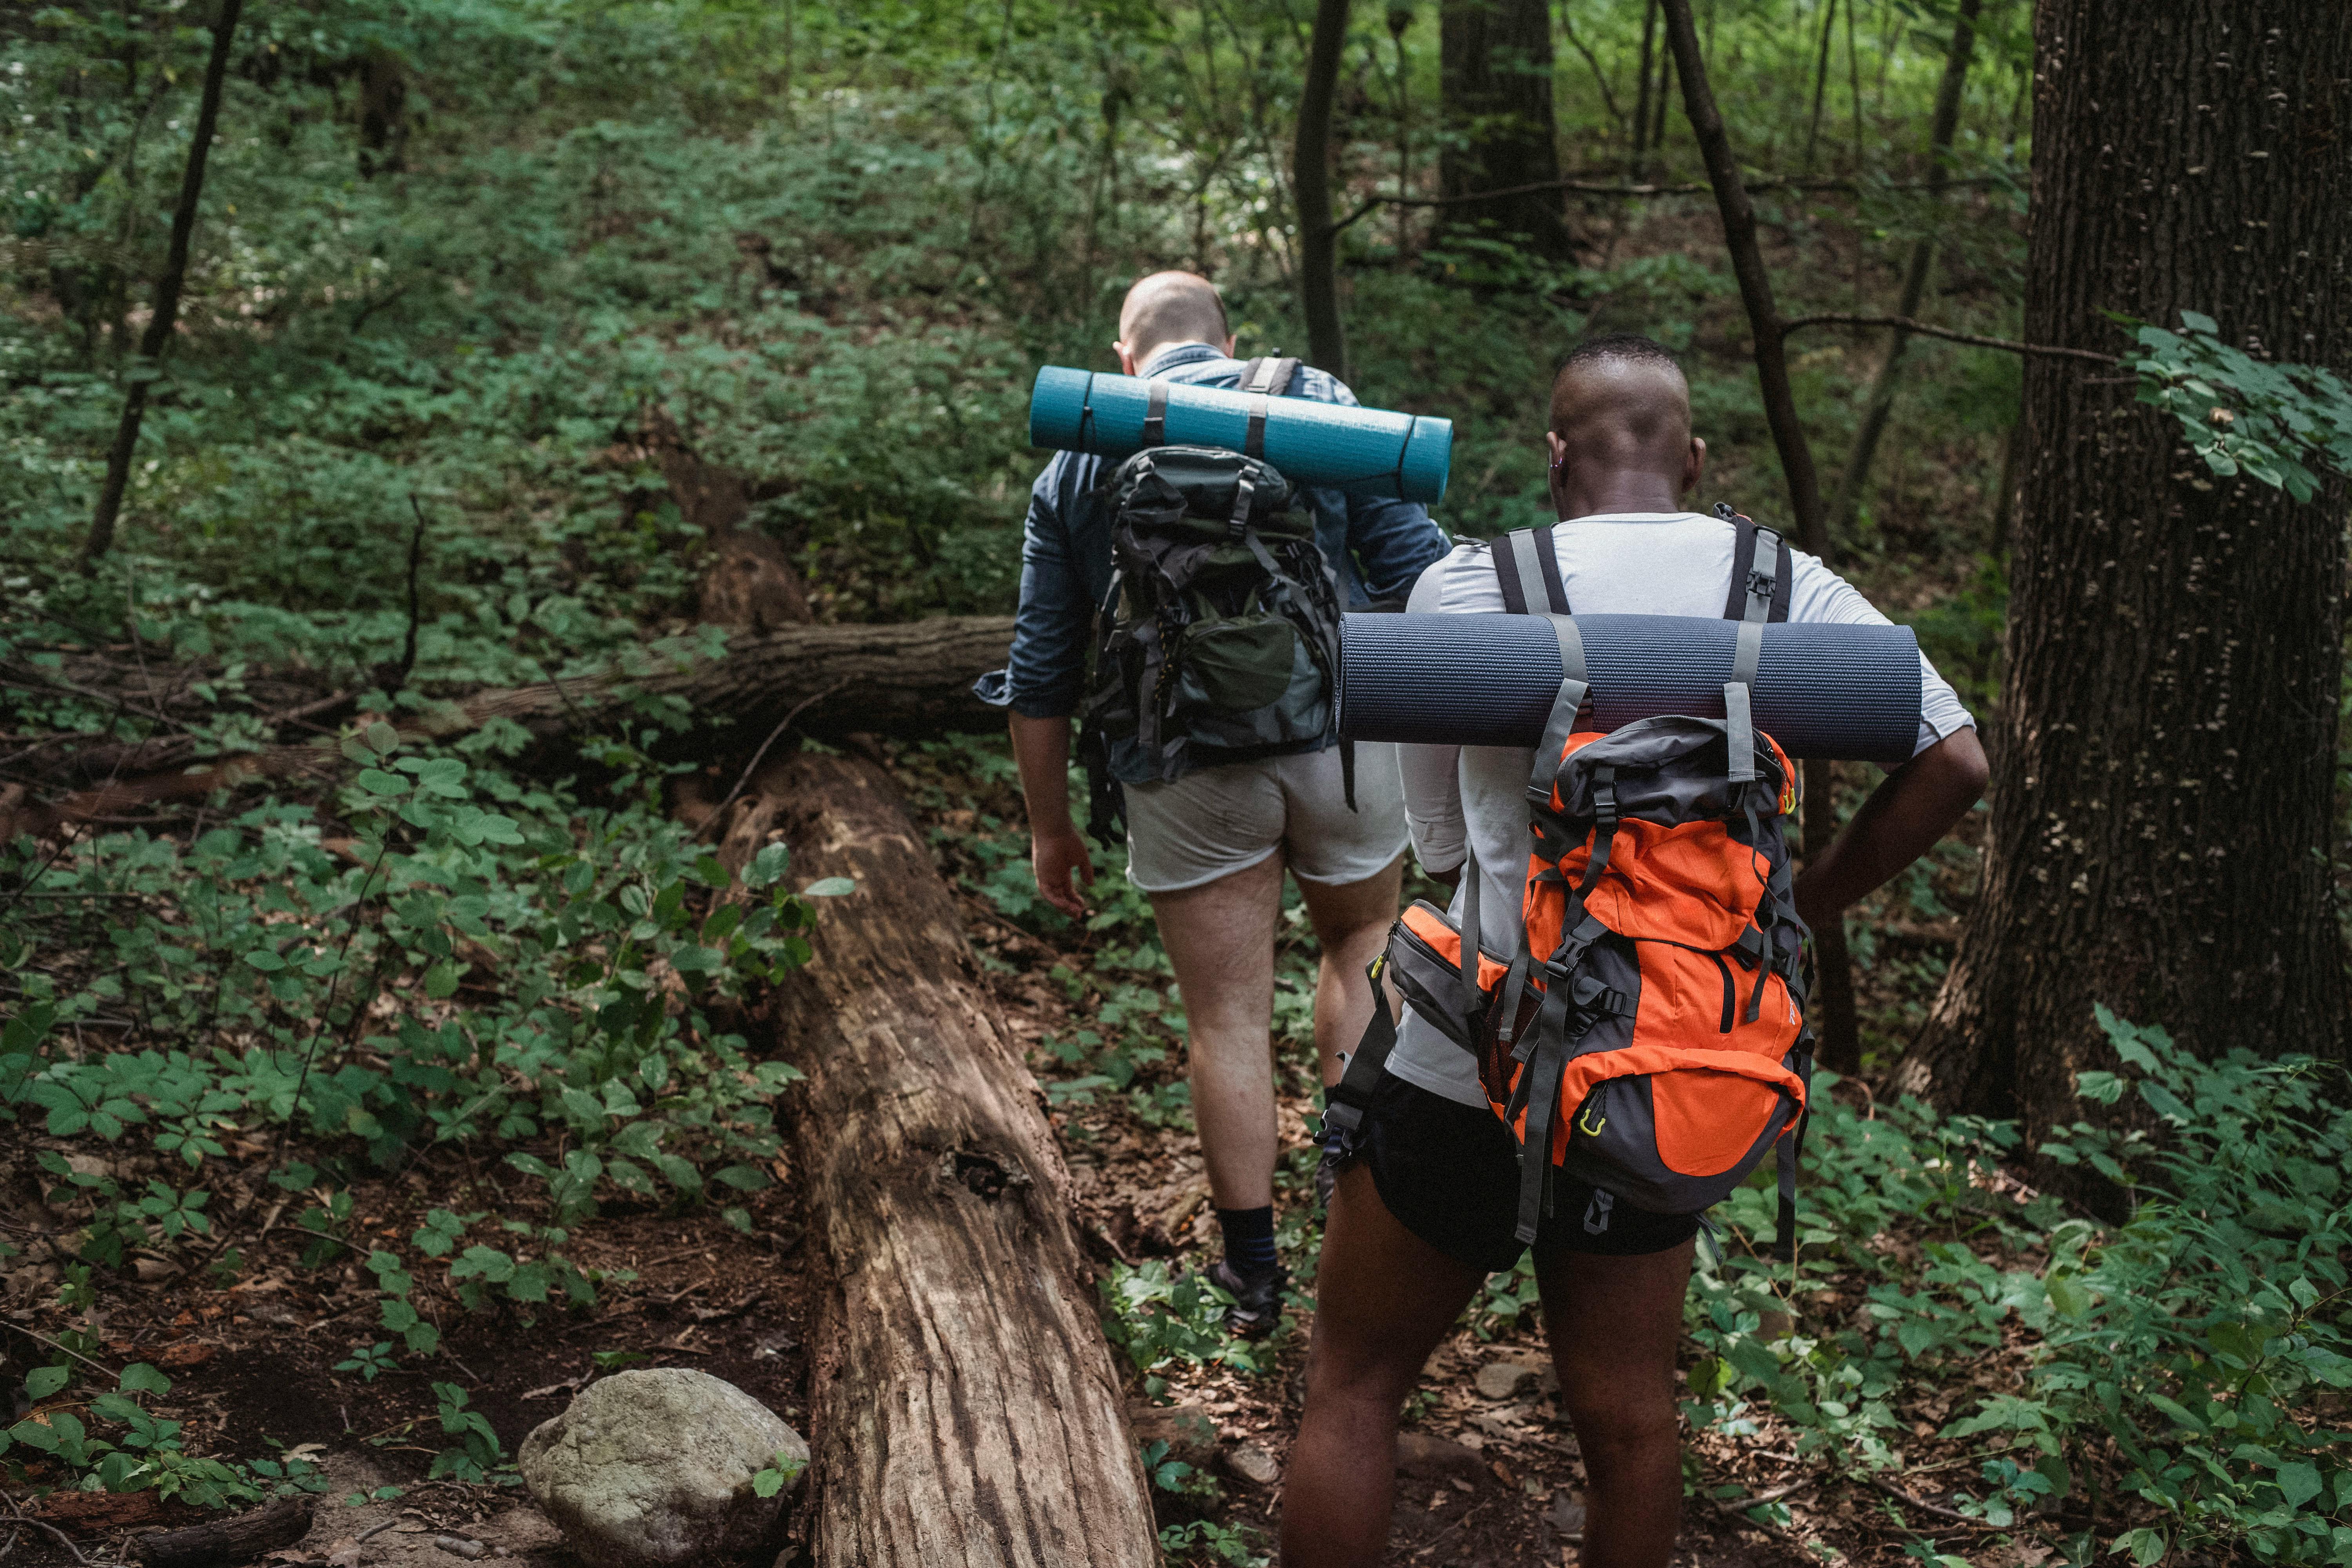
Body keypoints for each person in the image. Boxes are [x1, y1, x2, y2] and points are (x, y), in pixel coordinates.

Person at [1279, 333, 1990, 1566]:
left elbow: (1444, 847)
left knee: (1354, 1389)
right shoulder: (1782, 583)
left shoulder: (1472, 583)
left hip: (1469, 1063)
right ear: (1697, 457)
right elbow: (1958, 759)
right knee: (1630, 1424)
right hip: (1658, 1067)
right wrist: (1797, 913)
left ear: (1557, 459)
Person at [978, 271, 1450, 1335]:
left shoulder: (1082, 452)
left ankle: (1250, 1279)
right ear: (1233, 339)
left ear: (1124, 353)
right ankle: (1355, 1224)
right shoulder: (1314, 405)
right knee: (1361, 940)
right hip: (1341, 738)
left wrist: (1051, 825)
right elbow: (1419, 572)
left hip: (1180, 757)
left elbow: (1042, 665)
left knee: (1226, 1014)